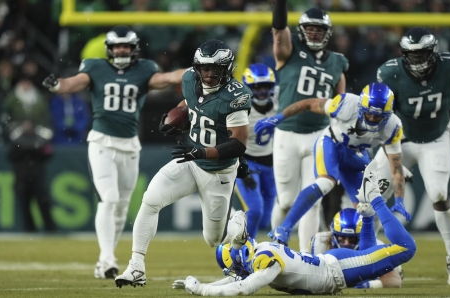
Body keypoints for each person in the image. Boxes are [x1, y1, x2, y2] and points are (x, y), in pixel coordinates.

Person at [41, 25, 188, 280]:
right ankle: (108, 259)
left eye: (126, 46)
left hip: (130, 145)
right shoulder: (95, 67)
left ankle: (103, 260)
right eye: (118, 46)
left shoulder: (144, 69)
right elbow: (72, 84)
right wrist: (57, 85)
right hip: (102, 142)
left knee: (121, 207)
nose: (121, 50)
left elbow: (169, 78)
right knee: (108, 199)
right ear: (110, 49)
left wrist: (198, 68)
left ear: (133, 49)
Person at [114, 39, 252, 288]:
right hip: (190, 159)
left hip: (217, 169)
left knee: (214, 239)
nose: (209, 74)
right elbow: (189, 104)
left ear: (227, 69)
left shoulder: (236, 96)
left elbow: (238, 144)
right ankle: (136, 266)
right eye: (205, 68)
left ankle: (237, 226)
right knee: (151, 199)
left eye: (215, 68)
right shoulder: (190, 79)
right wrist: (174, 117)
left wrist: (201, 152)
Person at [175, 160, 417, 296]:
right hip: (331, 265)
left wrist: (201, 290)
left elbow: (243, 288)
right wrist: (197, 284)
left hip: (336, 269)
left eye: (233, 266)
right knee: (371, 261)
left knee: (405, 248)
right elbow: (233, 281)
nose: (233, 272)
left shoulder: (264, 260)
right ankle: (367, 216)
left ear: (241, 258)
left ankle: (373, 196)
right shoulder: (260, 254)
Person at [374, 27, 450, 285]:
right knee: (373, 198)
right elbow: (377, 119)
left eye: (421, 54)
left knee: (437, 194)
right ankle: (368, 257)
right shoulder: (389, 72)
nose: (416, 60)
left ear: (433, 51)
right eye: (411, 55)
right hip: (397, 140)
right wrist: (395, 161)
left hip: (435, 138)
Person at [255, 82, 410, 246]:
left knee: (367, 207)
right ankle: (284, 228)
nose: (372, 119)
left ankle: (360, 255)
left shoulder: (393, 127)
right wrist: (279, 117)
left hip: (356, 155)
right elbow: (309, 103)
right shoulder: (346, 105)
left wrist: (399, 199)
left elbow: (396, 167)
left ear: (387, 115)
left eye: (377, 116)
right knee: (325, 183)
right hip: (331, 143)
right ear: (361, 108)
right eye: (369, 114)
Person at [270, 1, 349, 251]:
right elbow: (278, 28)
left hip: (319, 134)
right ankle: (276, 248)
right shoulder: (288, 52)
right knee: (286, 201)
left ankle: (307, 258)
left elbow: (340, 104)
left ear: (327, 33)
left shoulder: (337, 62)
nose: (314, 33)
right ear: (301, 30)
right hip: (287, 134)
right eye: (310, 28)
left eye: (319, 29)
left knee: (313, 201)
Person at [308, 207, 403, 288]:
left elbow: (395, 279)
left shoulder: (375, 245)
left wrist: (371, 285)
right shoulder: (319, 243)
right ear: (334, 236)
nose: (346, 243)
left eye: (352, 239)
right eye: (342, 239)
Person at [235, 63, 278, 238]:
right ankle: (242, 252)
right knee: (254, 211)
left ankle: (235, 228)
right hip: (247, 161)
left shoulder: (280, 99)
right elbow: (227, 138)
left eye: (265, 86)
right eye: (256, 87)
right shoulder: (239, 107)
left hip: (271, 162)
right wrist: (239, 165)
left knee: (266, 218)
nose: (261, 91)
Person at [8, 119, 56, 232]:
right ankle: (29, 230)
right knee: (25, 205)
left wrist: (35, 149)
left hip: (37, 178)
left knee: (43, 204)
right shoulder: (17, 140)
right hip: (22, 179)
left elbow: (48, 153)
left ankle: (50, 228)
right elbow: (10, 155)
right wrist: (27, 149)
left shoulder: (40, 139)